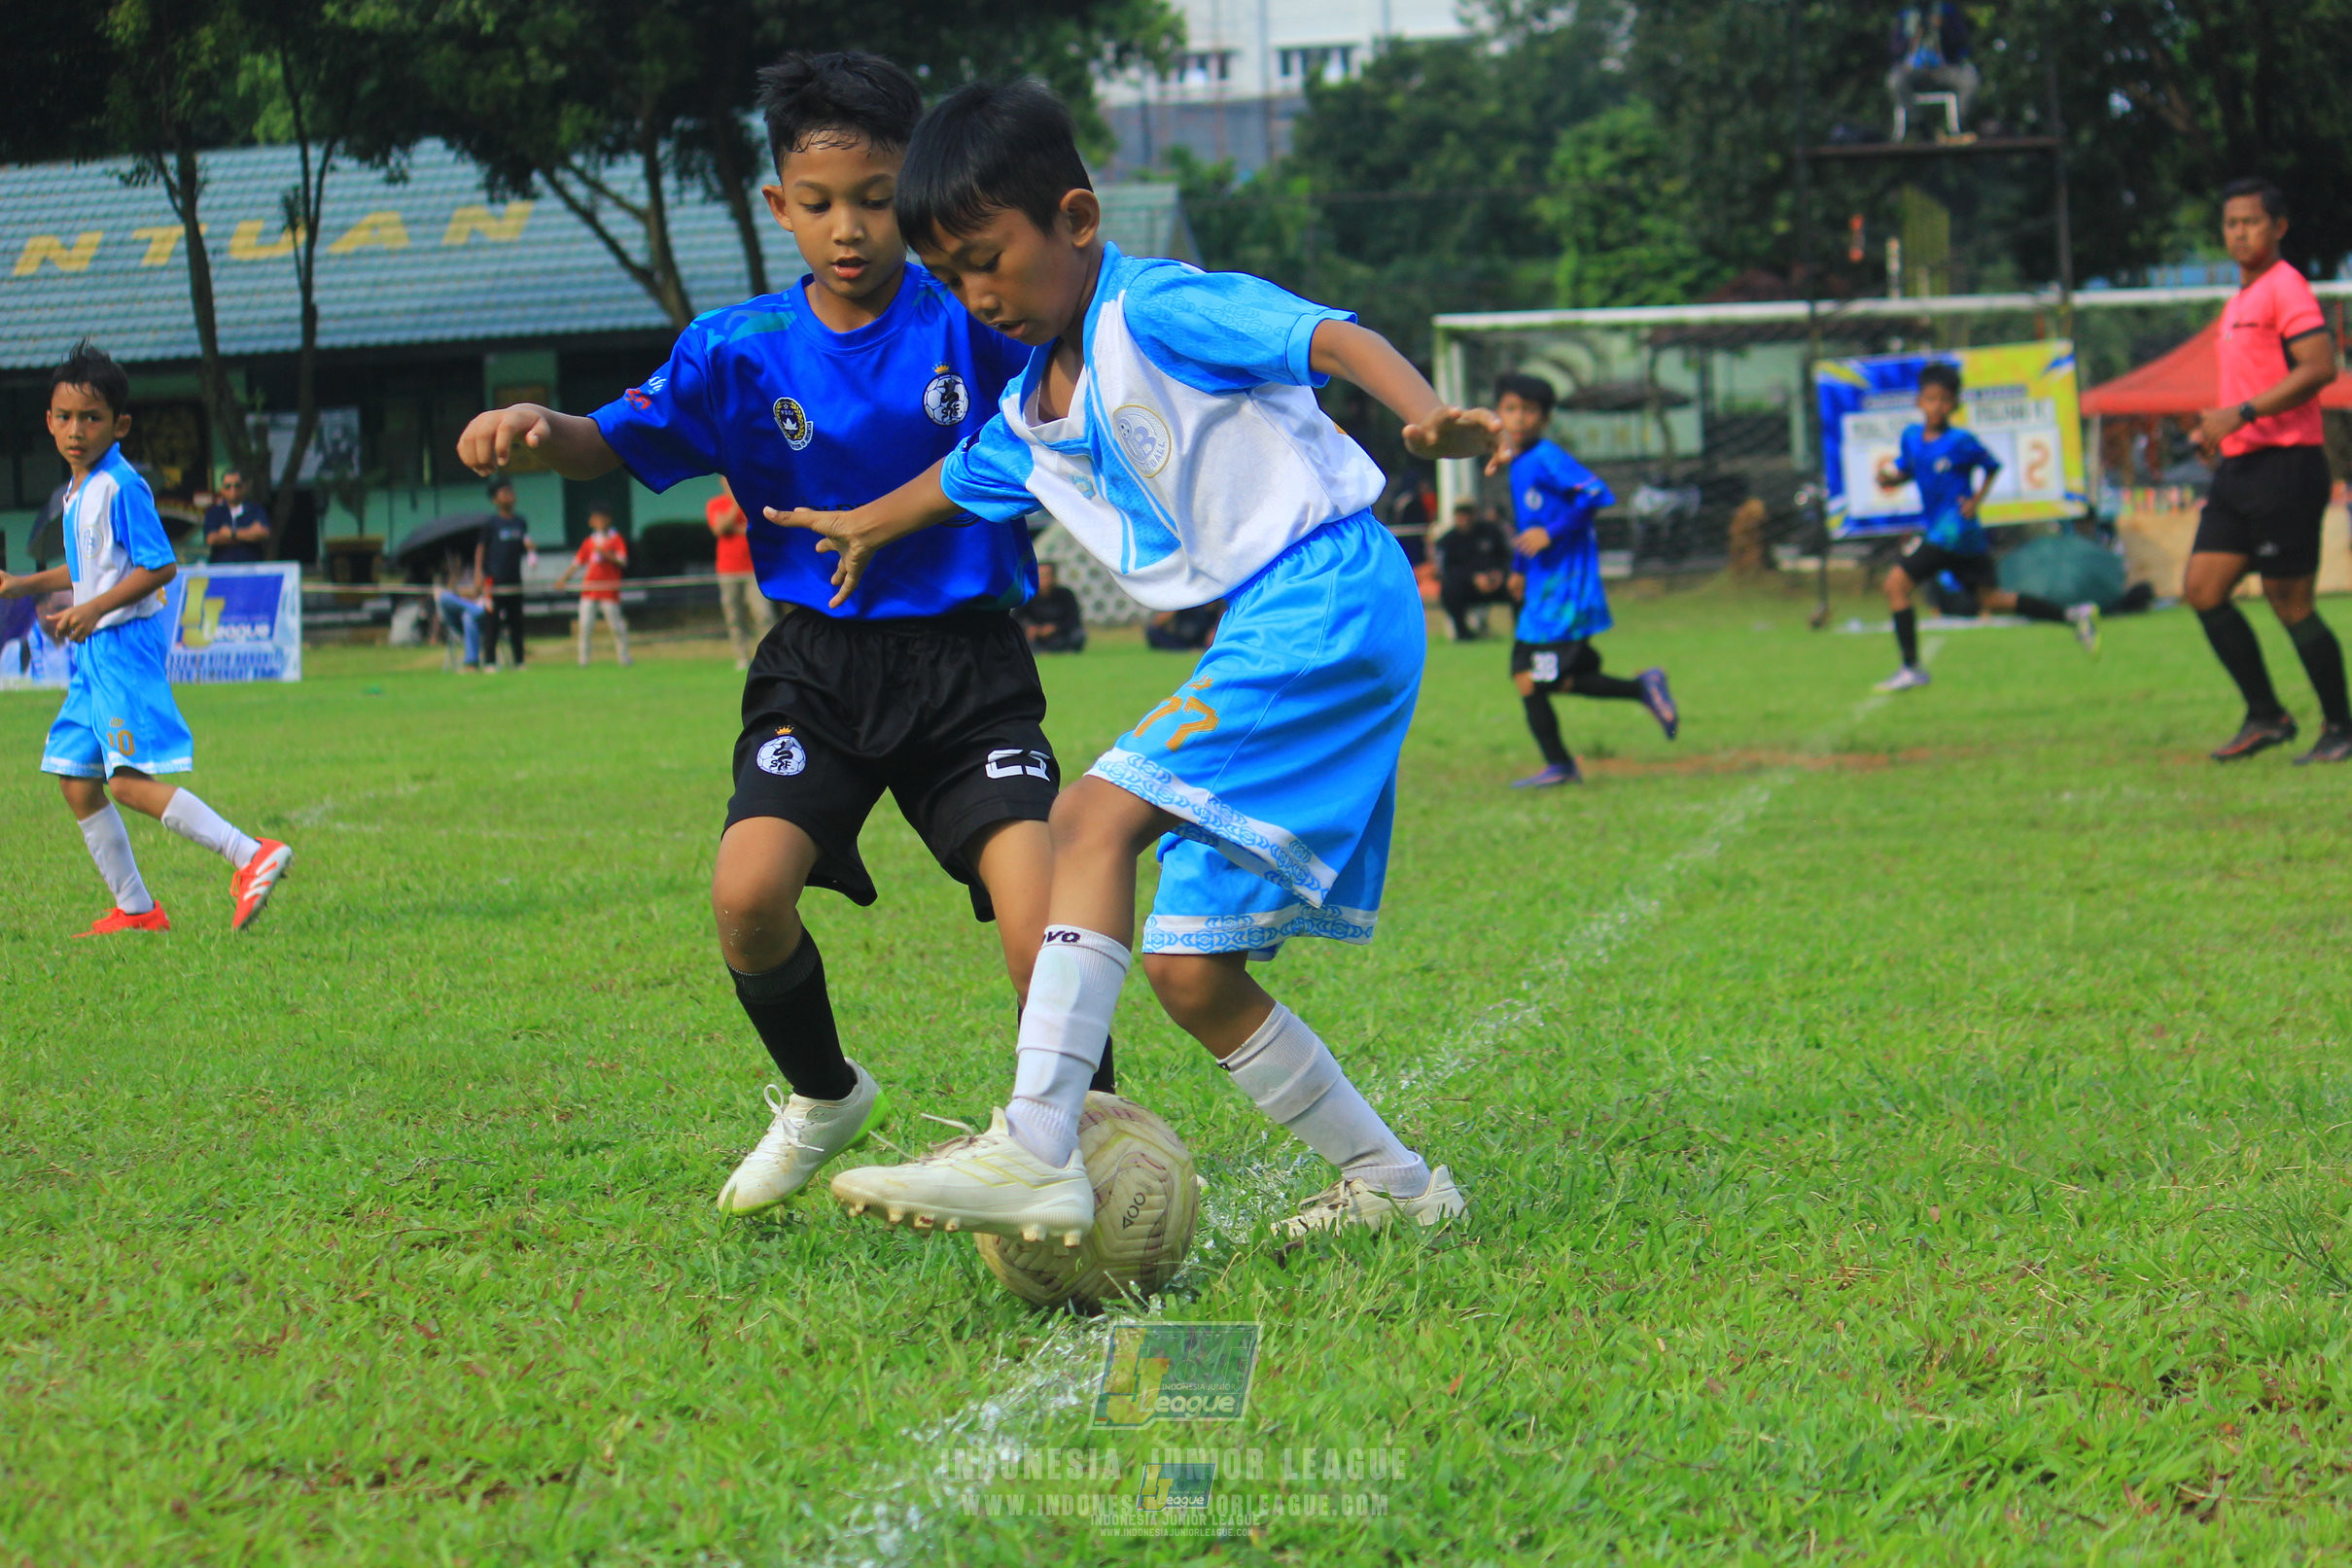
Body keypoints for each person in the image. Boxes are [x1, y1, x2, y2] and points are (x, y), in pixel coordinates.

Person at [790, 79, 1498, 1241]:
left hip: (1324, 595)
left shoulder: (1154, 308)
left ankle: (1034, 1141)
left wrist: (1425, 414)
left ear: (1075, 219)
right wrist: (866, 521)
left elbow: (1326, 334)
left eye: (990, 258)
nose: (978, 294)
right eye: (951, 276)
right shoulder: (1039, 398)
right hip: (1282, 618)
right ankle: (1397, 1183)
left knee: (1088, 818)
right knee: (1187, 966)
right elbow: (967, 477)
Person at [455, 51, 1109, 1217]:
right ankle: (823, 1096)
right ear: (778, 207)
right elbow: (607, 436)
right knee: (747, 894)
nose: (847, 228)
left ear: (914, 191)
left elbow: (1086, 380)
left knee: (1038, 920)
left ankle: (1093, 1153)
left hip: (970, 665)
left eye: (873, 197)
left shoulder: (980, 318)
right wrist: (531, 425)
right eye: (818, 204)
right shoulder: (738, 348)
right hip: (818, 664)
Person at [0, 342, 292, 936]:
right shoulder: (78, 490)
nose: (76, 430)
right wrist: (25, 584)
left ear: (120, 424)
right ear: (48, 422)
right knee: (77, 782)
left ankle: (250, 853)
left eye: (92, 417)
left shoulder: (121, 485)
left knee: (126, 782)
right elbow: (92, 569)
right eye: (65, 417)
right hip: (93, 653)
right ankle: (137, 909)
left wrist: (95, 609)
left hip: (121, 646)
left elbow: (158, 567)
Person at [2182, 179, 2349, 763]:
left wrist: (2243, 413)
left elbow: (2321, 366)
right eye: (2230, 224)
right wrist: (2214, 431)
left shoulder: (2287, 287)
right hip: (2238, 470)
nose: (2239, 233)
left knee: (2290, 599)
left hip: (2286, 466)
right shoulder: (2237, 303)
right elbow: (2246, 388)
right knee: (2202, 590)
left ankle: (2340, 726)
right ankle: (2267, 715)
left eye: (2251, 222)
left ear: (2278, 227)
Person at [1492, 373, 1678, 788]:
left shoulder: (1546, 456)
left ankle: (1562, 763)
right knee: (1536, 678)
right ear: (1498, 413)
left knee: (1532, 678)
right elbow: (1530, 524)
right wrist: (1520, 572)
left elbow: (1595, 494)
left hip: (1564, 592)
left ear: (1544, 418)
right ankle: (1639, 691)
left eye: (1529, 410)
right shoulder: (1518, 462)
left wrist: (1552, 534)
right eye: (1510, 409)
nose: (1518, 418)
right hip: (1542, 591)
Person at [1874, 362, 2099, 693]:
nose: (1937, 406)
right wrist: (1891, 478)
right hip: (1958, 538)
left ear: (1954, 404)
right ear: (1919, 401)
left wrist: (1976, 499)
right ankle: (2073, 616)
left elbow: (1992, 465)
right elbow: (1910, 469)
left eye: (1944, 400)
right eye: (1930, 399)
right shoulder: (1911, 437)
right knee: (1992, 600)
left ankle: (1911, 668)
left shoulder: (1960, 441)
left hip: (1953, 531)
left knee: (1895, 586)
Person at [708, 476, 774, 669]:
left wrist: (735, 527)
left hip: (754, 569)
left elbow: (761, 531)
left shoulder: (753, 503)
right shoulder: (715, 504)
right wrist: (735, 505)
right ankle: (742, 657)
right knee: (734, 616)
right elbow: (720, 528)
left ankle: (768, 657)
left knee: (763, 614)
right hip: (728, 570)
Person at [1887, 3, 1979, 138]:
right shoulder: (1905, 14)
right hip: (1913, 69)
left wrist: (1944, 27)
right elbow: (1894, 50)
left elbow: (1962, 43)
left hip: (1943, 69)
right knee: (1895, 81)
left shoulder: (1948, 11)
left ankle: (1958, 126)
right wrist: (1910, 35)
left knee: (1970, 81)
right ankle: (1920, 125)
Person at [556, 508, 633, 666]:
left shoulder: (616, 539)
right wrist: (563, 579)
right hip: (590, 589)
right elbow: (577, 563)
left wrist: (605, 554)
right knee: (585, 626)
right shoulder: (589, 541)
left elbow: (623, 561)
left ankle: (624, 658)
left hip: (608, 589)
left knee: (616, 626)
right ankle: (583, 660)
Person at [473, 478, 536, 670]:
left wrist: (530, 550)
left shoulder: (520, 522)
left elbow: (522, 547)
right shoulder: (491, 523)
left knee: (516, 622)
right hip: (494, 580)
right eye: (504, 492)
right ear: (495, 499)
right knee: (492, 623)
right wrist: (478, 574)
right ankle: (490, 661)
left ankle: (519, 661)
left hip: (514, 580)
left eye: (511, 491)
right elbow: (481, 548)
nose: (509, 495)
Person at [1433, 500, 1515, 641]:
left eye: (1468, 514)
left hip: (1495, 581)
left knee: (1517, 584)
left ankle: (1520, 630)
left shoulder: (1491, 532)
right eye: (1461, 514)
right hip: (1467, 587)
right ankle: (1463, 633)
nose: (1464, 519)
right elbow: (1447, 570)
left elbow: (1506, 557)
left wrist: (1499, 574)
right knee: (1448, 589)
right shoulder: (1448, 540)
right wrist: (1472, 578)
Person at [433, 554, 488, 672]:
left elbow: (479, 591)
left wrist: (466, 593)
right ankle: (474, 609)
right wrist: (454, 580)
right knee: (444, 597)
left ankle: (471, 663)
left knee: (468, 617)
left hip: (482, 619)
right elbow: (453, 596)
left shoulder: (483, 571)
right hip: (460, 619)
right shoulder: (456, 576)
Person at [1015, 559, 1085, 651]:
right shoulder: (1028, 596)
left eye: (1047, 575)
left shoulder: (1065, 595)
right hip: (1035, 636)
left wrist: (1055, 627)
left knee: (1077, 635)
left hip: (1059, 635)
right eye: (1041, 576)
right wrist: (1029, 627)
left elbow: (1073, 619)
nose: (1044, 579)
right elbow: (1017, 617)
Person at [201, 470, 268, 563]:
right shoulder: (214, 512)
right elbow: (212, 539)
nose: (233, 490)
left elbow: (262, 533)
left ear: (244, 487)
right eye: (228, 486)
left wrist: (232, 533)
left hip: (252, 569)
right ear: (222, 489)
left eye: (237, 486)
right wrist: (248, 535)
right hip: (221, 569)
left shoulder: (255, 510)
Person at [1144, 601, 1222, 650]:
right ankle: (1188, 649)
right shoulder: (1182, 601)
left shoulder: (1209, 603)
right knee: (1152, 632)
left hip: (1202, 634)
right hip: (1181, 638)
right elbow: (1157, 623)